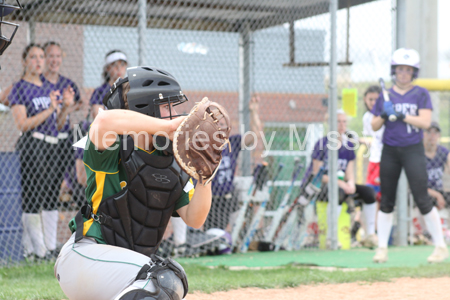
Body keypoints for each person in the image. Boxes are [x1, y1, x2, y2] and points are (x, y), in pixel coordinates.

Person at [54, 66, 215, 300]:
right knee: (162, 278)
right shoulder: (115, 144)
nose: (175, 114)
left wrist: (204, 175)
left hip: (123, 269)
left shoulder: (170, 158)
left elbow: (195, 218)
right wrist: (169, 128)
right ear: (144, 105)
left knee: (172, 279)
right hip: (85, 257)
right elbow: (103, 120)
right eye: (167, 105)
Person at [371, 48, 448, 263]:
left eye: (408, 70)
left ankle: (440, 246)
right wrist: (385, 114)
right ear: (394, 71)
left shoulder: (420, 93)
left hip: (413, 150)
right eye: (400, 69)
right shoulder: (385, 96)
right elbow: (375, 125)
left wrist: (402, 115)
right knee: (386, 200)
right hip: (390, 150)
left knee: (422, 197)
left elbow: (425, 122)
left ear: (414, 72)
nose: (403, 73)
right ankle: (382, 249)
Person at [9, 43, 74, 259]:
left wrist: (64, 107)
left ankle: (48, 247)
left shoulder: (49, 86)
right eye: (33, 57)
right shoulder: (19, 87)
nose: (38, 61)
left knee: (49, 195)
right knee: (32, 196)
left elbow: (57, 124)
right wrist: (49, 110)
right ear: (25, 61)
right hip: (32, 144)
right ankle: (36, 250)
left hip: (52, 144)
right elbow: (22, 123)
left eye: (41, 57)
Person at [312, 110, 377, 247]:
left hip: (342, 185)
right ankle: (331, 237)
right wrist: (341, 183)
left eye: (344, 122)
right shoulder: (322, 144)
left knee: (369, 193)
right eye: (337, 122)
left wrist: (351, 183)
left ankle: (370, 235)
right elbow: (317, 174)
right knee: (338, 192)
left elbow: (349, 173)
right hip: (323, 186)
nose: (341, 125)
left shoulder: (348, 146)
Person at [41, 41, 81, 253]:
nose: (55, 60)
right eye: (50, 56)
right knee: (43, 190)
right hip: (44, 140)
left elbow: (79, 103)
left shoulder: (67, 83)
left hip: (64, 138)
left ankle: (52, 244)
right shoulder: (39, 84)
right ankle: (43, 246)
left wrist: (69, 105)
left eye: (58, 56)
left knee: (61, 187)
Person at [204, 95, 263, 233]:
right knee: (211, 233)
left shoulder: (232, 143)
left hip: (228, 197)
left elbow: (256, 135)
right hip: (210, 199)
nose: (220, 127)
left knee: (237, 232)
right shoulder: (203, 146)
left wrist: (254, 112)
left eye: (222, 125)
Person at [89, 50, 128, 119]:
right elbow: (98, 117)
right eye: (114, 65)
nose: (119, 69)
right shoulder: (100, 91)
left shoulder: (130, 89)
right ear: (107, 68)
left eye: (122, 65)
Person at [424, 121, 450, 210]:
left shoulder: (443, 152)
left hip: (439, 190)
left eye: (435, 133)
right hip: (423, 192)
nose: (432, 136)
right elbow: (417, 186)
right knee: (423, 198)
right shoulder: (419, 154)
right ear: (424, 134)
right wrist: (438, 195)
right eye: (429, 132)